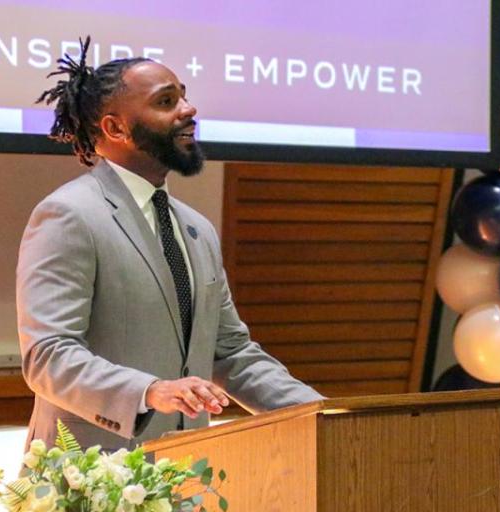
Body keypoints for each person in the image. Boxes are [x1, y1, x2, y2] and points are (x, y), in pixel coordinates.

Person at [17, 39, 321, 451]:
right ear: (115, 128)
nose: (188, 110)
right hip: (93, 480)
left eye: (183, 96)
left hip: (186, 478)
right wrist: (149, 391)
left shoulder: (196, 228)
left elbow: (230, 353)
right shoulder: (68, 215)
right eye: (166, 101)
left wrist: (322, 415)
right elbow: (49, 356)